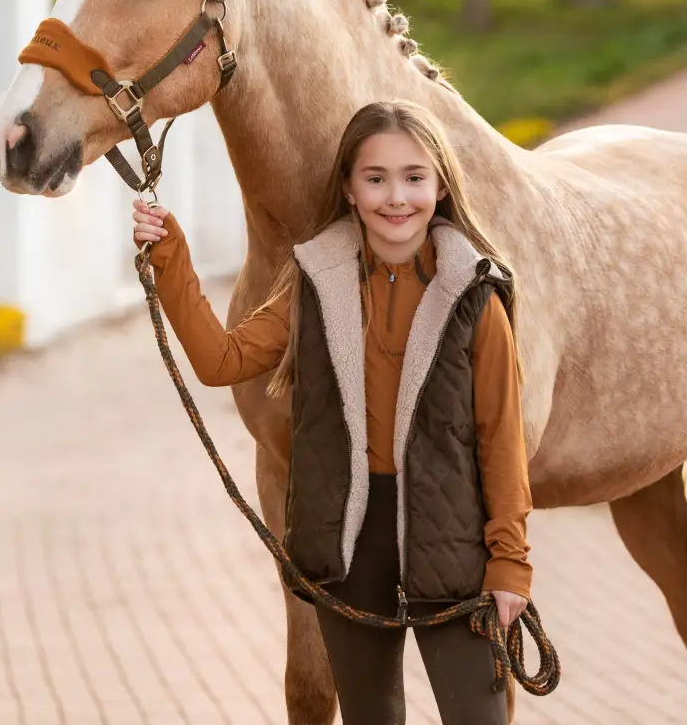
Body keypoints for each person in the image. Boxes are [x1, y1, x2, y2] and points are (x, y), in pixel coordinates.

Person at [133, 99, 533, 725]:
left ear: (441, 186)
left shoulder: (475, 295)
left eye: (413, 177)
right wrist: (171, 257)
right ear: (349, 189)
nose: (395, 197)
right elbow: (222, 360)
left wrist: (509, 561)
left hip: (452, 536)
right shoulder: (314, 284)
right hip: (349, 540)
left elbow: (500, 439)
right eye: (375, 179)